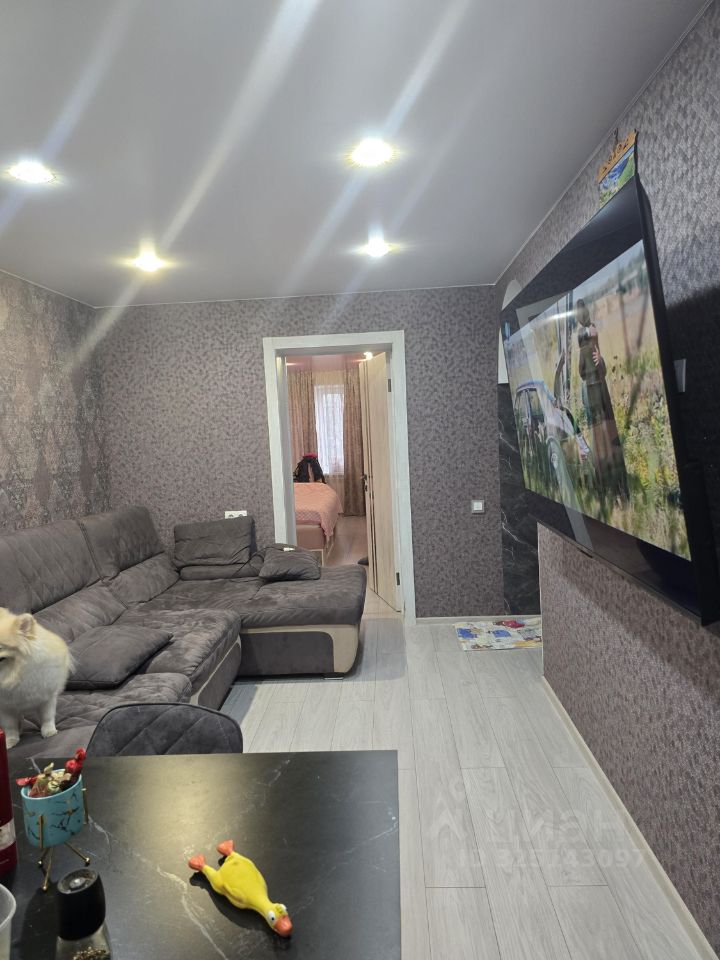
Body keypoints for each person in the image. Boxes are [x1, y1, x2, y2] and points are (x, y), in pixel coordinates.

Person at [576, 299, 629, 500]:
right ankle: (608, 488)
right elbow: (583, 369)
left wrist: (601, 360)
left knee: (606, 435)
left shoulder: (590, 332)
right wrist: (588, 333)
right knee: (600, 438)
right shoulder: (585, 334)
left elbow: (598, 366)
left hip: (599, 391)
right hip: (592, 393)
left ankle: (615, 488)